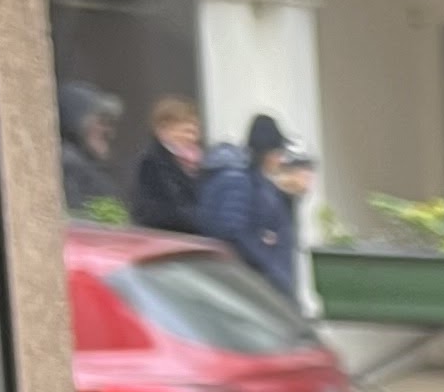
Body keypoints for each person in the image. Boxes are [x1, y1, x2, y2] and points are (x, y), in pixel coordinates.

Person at [187, 114, 311, 304]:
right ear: (267, 153)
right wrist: (268, 266)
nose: (279, 159)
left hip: (263, 281)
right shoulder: (239, 180)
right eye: (277, 152)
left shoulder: (255, 180)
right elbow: (233, 232)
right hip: (254, 284)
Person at [131, 93, 202, 237]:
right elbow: (159, 211)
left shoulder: (197, 163)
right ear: (164, 130)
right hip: (164, 240)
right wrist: (202, 220)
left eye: (194, 131)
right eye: (186, 131)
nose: (191, 137)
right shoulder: (153, 163)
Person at [58, 78, 125, 218]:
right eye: (102, 122)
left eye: (111, 123)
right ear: (75, 122)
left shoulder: (85, 168)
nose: (110, 133)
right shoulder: (69, 167)